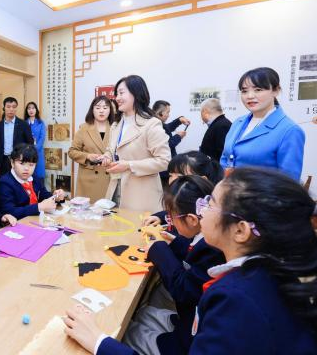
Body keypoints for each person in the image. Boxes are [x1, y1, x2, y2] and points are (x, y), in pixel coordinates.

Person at [64, 167, 317, 354]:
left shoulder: (237, 301)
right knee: (138, 316)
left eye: (210, 203)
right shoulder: (263, 273)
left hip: (186, 341)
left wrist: (99, 342)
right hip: (187, 330)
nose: (201, 210)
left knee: (120, 331)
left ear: (240, 231)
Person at [125, 176, 224, 354]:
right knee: (142, 314)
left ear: (192, 219)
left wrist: (159, 250)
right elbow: (194, 254)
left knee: (128, 333)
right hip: (189, 321)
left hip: (191, 339)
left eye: (171, 216)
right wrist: (175, 242)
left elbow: (183, 289)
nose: (168, 220)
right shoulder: (208, 239)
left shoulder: (213, 248)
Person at [220, 67, 305, 180]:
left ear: (276, 90)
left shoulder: (290, 130)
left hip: (260, 192)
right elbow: (225, 158)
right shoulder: (238, 122)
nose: (250, 96)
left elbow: (289, 181)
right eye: (244, 91)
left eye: (258, 90)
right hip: (229, 189)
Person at [105, 76, 171, 213]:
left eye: (121, 93)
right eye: (116, 94)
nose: (117, 98)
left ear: (136, 93)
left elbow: (164, 161)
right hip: (115, 191)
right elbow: (111, 150)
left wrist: (129, 165)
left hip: (141, 196)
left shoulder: (151, 124)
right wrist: (106, 157)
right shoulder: (116, 124)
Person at [142, 151, 223, 229]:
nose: (172, 180)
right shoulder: (182, 197)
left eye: (180, 177)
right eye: (171, 175)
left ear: (202, 179)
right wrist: (160, 217)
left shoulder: (206, 208)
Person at [0, 144, 65, 219]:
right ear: (12, 163)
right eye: (22, 164)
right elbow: (9, 212)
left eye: (31, 165)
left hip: (35, 220)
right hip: (17, 223)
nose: (26, 168)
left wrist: (56, 197)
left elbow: (44, 195)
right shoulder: (4, 183)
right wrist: (38, 207)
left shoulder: (34, 178)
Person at [68, 96, 114, 203]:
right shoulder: (84, 128)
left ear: (110, 110)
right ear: (92, 110)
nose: (101, 111)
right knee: (88, 211)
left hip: (110, 178)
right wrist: (88, 156)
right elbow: (72, 151)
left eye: (105, 107)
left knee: (107, 211)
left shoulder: (115, 127)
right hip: (88, 180)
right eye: (98, 108)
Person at [0, 96, 33, 176]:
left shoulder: (23, 125)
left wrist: (26, 160)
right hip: (3, 161)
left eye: (14, 107)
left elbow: (30, 143)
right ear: (4, 108)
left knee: (18, 181)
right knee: (3, 181)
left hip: (19, 161)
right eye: (8, 107)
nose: (11, 109)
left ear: (16, 108)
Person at [24, 101, 46, 187]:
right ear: (27, 111)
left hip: (38, 152)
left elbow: (42, 137)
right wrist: (28, 150)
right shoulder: (24, 123)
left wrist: (35, 149)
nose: (31, 110)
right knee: (28, 173)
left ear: (36, 110)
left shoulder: (41, 123)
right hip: (27, 152)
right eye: (29, 108)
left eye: (33, 108)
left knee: (39, 174)